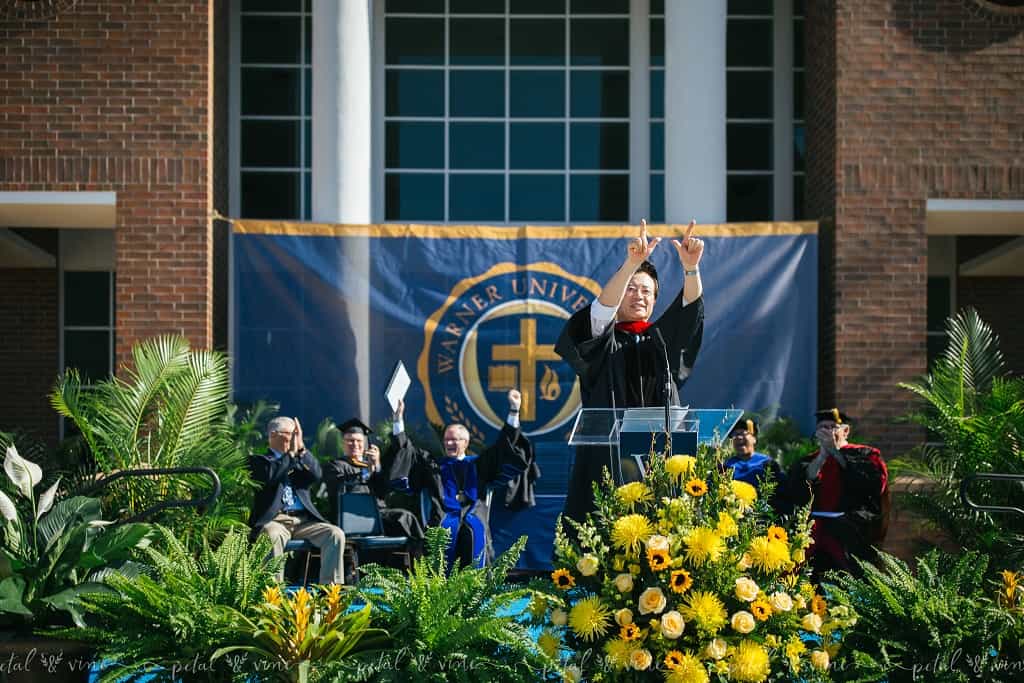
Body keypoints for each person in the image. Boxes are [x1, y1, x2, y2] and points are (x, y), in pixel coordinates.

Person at [556, 219, 705, 523]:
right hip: (607, 463)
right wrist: (631, 265)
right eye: (631, 289)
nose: (639, 296)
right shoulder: (604, 342)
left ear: (655, 298)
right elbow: (598, 315)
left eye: (646, 291)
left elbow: (689, 313)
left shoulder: (661, 341)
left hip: (661, 463)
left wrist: (691, 268)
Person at [387, 389, 540, 569]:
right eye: (447, 440)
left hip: (474, 513)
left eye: (455, 440)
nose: (450, 443)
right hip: (443, 516)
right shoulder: (433, 465)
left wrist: (514, 410)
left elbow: (503, 446)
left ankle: (477, 590)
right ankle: (440, 592)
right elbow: (408, 451)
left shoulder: (479, 464)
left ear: (466, 442)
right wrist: (398, 420)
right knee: (443, 534)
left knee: (473, 532)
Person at [779, 408, 890, 579]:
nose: (828, 432)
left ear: (846, 431)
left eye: (833, 427)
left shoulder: (865, 455)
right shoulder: (810, 460)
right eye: (823, 428)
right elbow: (797, 490)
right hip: (813, 532)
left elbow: (873, 486)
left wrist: (835, 452)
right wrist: (823, 456)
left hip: (849, 531)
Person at [248, 416, 346, 584]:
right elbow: (272, 476)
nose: (295, 438)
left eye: (297, 434)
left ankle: (330, 592)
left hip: (303, 521)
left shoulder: (297, 461)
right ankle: (273, 593)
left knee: (335, 534)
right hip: (276, 520)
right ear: (273, 435)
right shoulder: (259, 461)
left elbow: (316, 474)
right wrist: (291, 455)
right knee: (271, 535)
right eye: (291, 434)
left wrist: (301, 451)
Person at [325, 418, 425, 551]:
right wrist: (368, 471)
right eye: (350, 440)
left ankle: (418, 566)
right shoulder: (335, 466)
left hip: (378, 514)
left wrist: (377, 467)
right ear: (343, 443)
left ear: (365, 443)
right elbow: (341, 486)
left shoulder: (370, 464)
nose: (355, 444)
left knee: (405, 519)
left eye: (359, 441)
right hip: (351, 516)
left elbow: (383, 491)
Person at [723, 417, 784, 501]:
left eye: (743, 433)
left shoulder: (768, 464)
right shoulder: (725, 466)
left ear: (754, 438)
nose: (739, 437)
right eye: (735, 435)